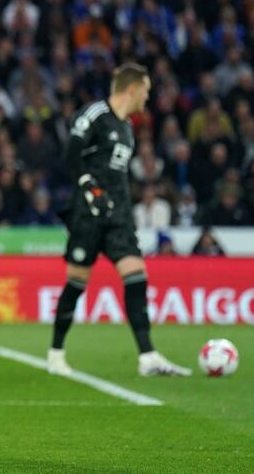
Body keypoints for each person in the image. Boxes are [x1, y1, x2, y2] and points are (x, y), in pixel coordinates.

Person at [48, 63, 190, 377]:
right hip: (88, 213)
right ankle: (56, 353)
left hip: (119, 215)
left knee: (136, 274)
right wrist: (87, 186)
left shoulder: (126, 127)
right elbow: (71, 151)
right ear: (133, 89)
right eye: (146, 91)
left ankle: (148, 357)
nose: (148, 97)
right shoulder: (95, 113)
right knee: (77, 282)